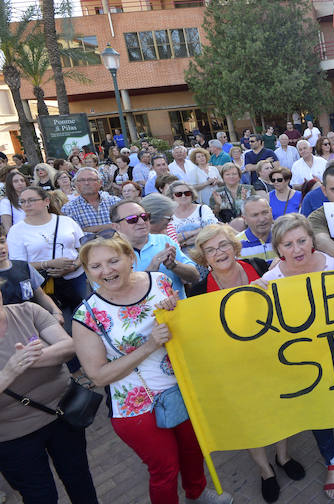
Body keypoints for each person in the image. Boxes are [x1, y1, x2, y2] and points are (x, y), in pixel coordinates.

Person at [72, 233, 232, 504]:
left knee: (194, 450)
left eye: (113, 261)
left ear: (130, 258)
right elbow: (97, 375)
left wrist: (176, 312)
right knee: (165, 468)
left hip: (182, 387)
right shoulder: (86, 315)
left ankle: (197, 492)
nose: (106, 271)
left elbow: (184, 331)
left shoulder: (159, 281)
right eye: (96, 266)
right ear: (87, 272)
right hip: (135, 406)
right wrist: (147, 346)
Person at [186, 224, 305, 503]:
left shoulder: (260, 266)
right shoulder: (199, 291)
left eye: (224, 245)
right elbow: (199, 333)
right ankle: (265, 471)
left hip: (273, 355)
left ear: (234, 246)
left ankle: (283, 456)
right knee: (250, 418)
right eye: (211, 250)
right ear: (204, 258)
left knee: (281, 407)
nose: (219, 253)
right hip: (234, 366)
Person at [254, 215, 334, 499]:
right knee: (318, 414)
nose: (297, 249)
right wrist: (253, 297)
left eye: (302, 240)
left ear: (312, 241)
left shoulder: (332, 264)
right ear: (278, 250)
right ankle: (331, 462)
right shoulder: (270, 280)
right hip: (303, 364)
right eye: (288, 244)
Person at [0, 292, 99, 503]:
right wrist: (9, 371)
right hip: (13, 437)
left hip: (63, 414)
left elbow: (70, 346)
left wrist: (32, 359)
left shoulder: (28, 311)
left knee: (79, 479)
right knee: (40, 496)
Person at [8, 186, 85, 330]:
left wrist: (75, 265)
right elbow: (19, 265)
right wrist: (49, 264)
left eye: (31, 200)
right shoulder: (16, 231)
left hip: (76, 278)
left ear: (46, 201)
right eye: (23, 202)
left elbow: (83, 248)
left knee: (84, 317)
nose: (26, 205)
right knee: (59, 324)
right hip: (44, 285)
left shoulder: (66, 221)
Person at [112, 200, 200, 299]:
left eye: (144, 217)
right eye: (132, 219)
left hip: (177, 310)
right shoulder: (109, 253)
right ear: (116, 226)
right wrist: (151, 270)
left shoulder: (164, 240)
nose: (141, 222)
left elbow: (195, 276)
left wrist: (174, 265)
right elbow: (112, 296)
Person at [61, 168, 121, 232]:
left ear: (100, 183)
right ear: (76, 184)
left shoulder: (115, 202)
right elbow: (75, 235)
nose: (86, 183)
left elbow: (125, 226)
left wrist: (88, 229)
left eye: (91, 179)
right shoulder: (68, 209)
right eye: (81, 180)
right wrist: (110, 226)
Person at [167, 182, 216, 249]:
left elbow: (212, 231)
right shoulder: (168, 216)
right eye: (179, 194)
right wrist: (197, 231)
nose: (184, 196)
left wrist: (183, 241)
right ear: (172, 197)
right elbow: (170, 241)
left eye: (187, 193)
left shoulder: (203, 209)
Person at [235, 196, 276, 260]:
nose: (262, 219)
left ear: (271, 212)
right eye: (255, 215)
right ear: (245, 219)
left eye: (265, 213)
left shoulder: (284, 237)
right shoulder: (236, 246)